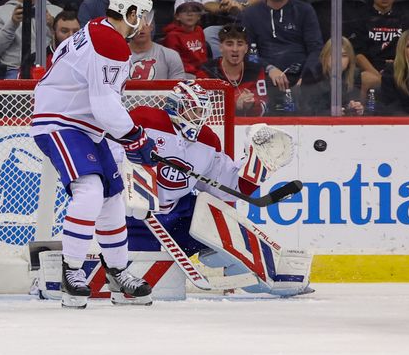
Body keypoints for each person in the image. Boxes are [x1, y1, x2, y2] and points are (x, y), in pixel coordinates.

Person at [29, 0, 157, 308]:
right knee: (90, 190)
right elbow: (105, 105)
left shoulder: (96, 29)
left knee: (113, 197)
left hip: (84, 125)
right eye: (141, 16)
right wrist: (134, 136)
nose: (144, 24)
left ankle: (117, 271)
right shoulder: (110, 43)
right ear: (129, 13)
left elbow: (98, 99)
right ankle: (72, 273)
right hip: (62, 122)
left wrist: (126, 136)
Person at [124, 81, 308, 296]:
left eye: (202, 112)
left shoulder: (207, 139)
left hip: (176, 219)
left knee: (219, 217)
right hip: (132, 221)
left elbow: (225, 188)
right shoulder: (145, 119)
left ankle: (263, 277)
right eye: (193, 110)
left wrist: (257, 164)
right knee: (139, 277)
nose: (198, 117)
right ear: (175, 106)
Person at [240, 0, 324, 92]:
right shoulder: (250, 14)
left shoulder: (305, 10)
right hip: (266, 76)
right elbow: (247, 52)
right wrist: (269, 68)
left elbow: (316, 48)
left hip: (301, 75)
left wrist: (306, 77)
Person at [203, 23, 269, 116]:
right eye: (229, 44)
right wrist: (234, 104)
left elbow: (264, 106)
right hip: (218, 128)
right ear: (221, 47)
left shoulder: (256, 70)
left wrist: (252, 104)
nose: (235, 49)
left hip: (247, 126)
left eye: (240, 44)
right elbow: (201, 110)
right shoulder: (206, 71)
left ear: (246, 48)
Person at [298, 38, 367, 116]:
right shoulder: (312, 73)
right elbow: (306, 110)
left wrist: (355, 107)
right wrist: (329, 113)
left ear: (350, 59)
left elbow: (353, 100)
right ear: (326, 56)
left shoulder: (355, 74)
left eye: (344, 56)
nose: (339, 60)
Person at [128, 14, 188, 81]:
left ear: (151, 26)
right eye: (136, 23)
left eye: (146, 23)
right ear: (127, 27)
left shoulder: (171, 55)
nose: (141, 27)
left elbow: (177, 87)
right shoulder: (117, 55)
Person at [162, 0, 209, 78]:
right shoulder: (172, 36)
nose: (190, 14)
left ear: (199, 16)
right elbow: (175, 64)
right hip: (183, 73)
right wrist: (198, 74)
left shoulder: (199, 30)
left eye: (194, 10)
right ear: (177, 16)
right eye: (184, 10)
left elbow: (203, 56)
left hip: (201, 72)